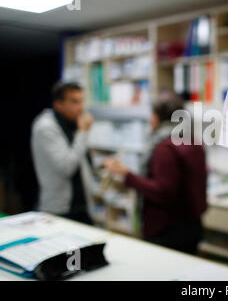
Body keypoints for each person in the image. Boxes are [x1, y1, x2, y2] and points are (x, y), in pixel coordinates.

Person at [103, 92, 207, 255]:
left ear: (160, 118)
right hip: (191, 224)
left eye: (152, 114)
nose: (150, 120)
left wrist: (127, 176)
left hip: (167, 229)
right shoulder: (192, 140)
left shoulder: (165, 148)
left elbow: (163, 191)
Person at [31, 82, 94, 224]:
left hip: (81, 207)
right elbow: (67, 167)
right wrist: (83, 132)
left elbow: (79, 159)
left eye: (81, 101)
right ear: (58, 105)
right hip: (60, 210)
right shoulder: (46, 127)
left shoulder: (72, 123)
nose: (81, 108)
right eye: (74, 102)